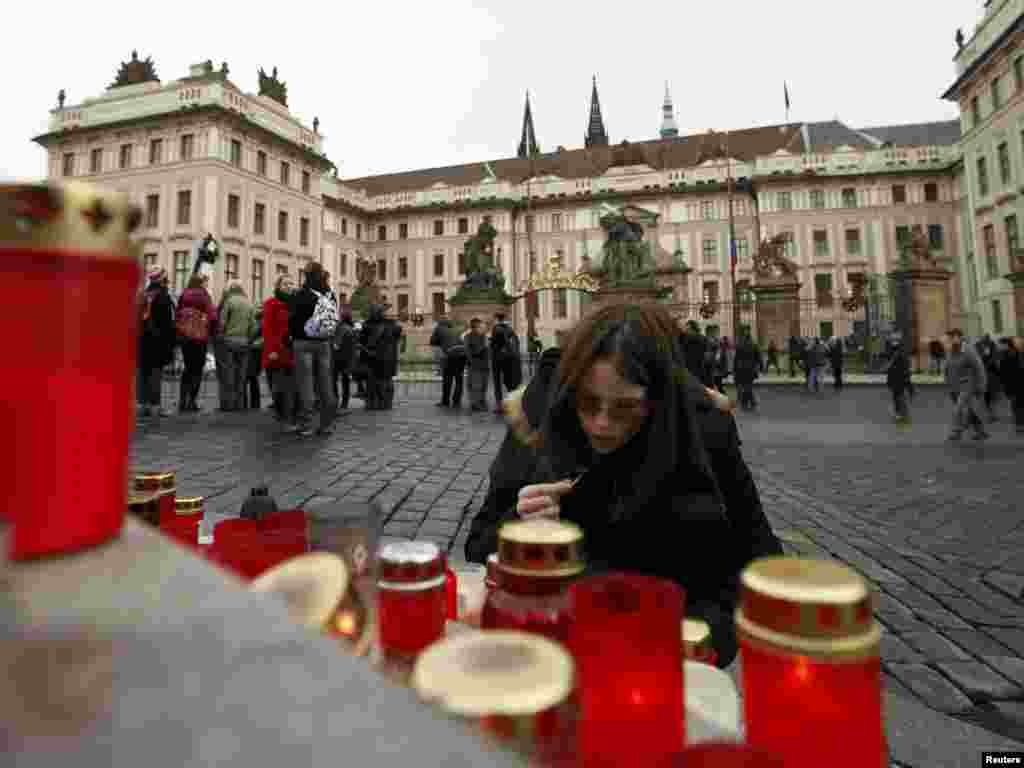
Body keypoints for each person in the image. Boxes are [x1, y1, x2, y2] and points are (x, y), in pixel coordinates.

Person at [463, 304, 783, 668]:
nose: (601, 423)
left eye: (624, 408)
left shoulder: (703, 433)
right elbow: (479, 544)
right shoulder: (536, 425)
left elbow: (760, 563)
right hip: (552, 655)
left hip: (661, 663)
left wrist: (704, 636)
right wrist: (520, 522)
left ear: (656, 401)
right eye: (588, 403)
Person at [289, 262, 337, 436]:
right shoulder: (330, 294)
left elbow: (292, 319)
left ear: (307, 275)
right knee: (326, 384)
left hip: (302, 343)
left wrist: (292, 335)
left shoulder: (301, 294)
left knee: (305, 384)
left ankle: (307, 424)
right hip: (324, 342)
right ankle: (326, 424)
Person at [175, 273, 218, 413]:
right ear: (201, 283)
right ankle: (192, 402)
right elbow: (212, 316)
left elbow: (177, 313)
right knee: (197, 369)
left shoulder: (184, 293)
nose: (207, 284)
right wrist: (211, 333)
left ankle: (182, 401)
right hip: (200, 337)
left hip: (185, 337)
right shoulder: (204, 295)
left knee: (187, 368)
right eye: (206, 282)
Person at [137, 267, 176, 418]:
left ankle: (141, 405)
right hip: (158, 340)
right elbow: (167, 323)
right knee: (155, 373)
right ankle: (155, 406)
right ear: (161, 279)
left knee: (143, 372)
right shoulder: (163, 296)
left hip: (142, 340)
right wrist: (171, 342)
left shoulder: (143, 295)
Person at [262, 274, 298, 431]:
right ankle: (283, 417)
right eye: (285, 284)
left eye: (291, 284)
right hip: (276, 350)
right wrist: (271, 350)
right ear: (278, 286)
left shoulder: (295, 304)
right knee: (279, 387)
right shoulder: (271, 304)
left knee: (291, 388)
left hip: (292, 351)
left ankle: (289, 418)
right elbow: (267, 329)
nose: (289, 287)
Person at [218, 282, 257, 412]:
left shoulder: (229, 301)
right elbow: (253, 325)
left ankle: (229, 404)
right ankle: (240, 404)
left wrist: (222, 335)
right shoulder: (248, 303)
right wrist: (249, 340)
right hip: (244, 342)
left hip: (229, 341)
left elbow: (222, 322)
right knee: (241, 375)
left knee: (229, 373)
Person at [945, 328, 989, 441]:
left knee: (958, 408)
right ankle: (980, 431)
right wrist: (948, 383)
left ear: (960, 337)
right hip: (954, 386)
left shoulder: (969, 351)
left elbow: (979, 368)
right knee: (971, 409)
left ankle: (956, 431)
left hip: (967, 384)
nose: (951, 339)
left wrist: (982, 385)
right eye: (950, 337)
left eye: (954, 336)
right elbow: (948, 368)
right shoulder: (950, 351)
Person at [430, 316, 468, 408]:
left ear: (440, 322)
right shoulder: (455, 329)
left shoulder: (438, 328)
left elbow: (433, 342)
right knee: (459, 378)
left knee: (447, 378)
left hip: (450, 354)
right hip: (462, 354)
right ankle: (456, 401)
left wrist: (442, 343)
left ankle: (445, 401)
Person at [490, 313, 521, 413]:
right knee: (509, 383)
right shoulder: (510, 329)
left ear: (496, 319)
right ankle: (512, 404)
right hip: (510, 359)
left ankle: (499, 406)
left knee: (497, 383)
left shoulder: (496, 329)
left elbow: (494, 343)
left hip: (498, 359)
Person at [333, 308, 358, 413]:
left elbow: (336, 345)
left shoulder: (341, 328)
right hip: (347, 359)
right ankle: (344, 404)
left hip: (338, 359)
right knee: (345, 382)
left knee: (333, 381)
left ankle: (336, 403)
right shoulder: (350, 328)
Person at [999, 336, 1024, 434]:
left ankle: (1019, 423)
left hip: (1017, 383)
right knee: (1016, 404)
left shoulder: (1017, 354)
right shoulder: (1006, 354)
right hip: (1012, 384)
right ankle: (1019, 423)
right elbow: (1003, 371)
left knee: (1018, 404)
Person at [466, 317, 491, 412]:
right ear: (476, 327)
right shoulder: (469, 337)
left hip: (484, 365)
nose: (484, 327)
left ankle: (481, 403)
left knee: (483, 386)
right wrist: (484, 346)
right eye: (481, 326)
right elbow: (471, 352)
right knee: (476, 386)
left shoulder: (483, 336)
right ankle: (475, 404)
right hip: (476, 366)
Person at [733, 328, 761, 411]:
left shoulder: (739, 344)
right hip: (751, 368)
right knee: (748, 386)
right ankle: (750, 402)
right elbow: (758, 356)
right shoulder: (753, 344)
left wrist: (734, 369)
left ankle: (747, 402)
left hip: (741, 368)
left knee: (745, 386)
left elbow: (736, 358)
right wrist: (760, 366)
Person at [886, 339, 912, 424]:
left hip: (897, 381)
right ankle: (900, 414)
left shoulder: (894, 358)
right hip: (898, 381)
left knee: (898, 397)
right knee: (898, 397)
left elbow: (890, 371)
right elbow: (906, 370)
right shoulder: (899, 357)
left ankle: (900, 414)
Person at [245, 309, 264, 409]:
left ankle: (252, 404)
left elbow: (257, 342)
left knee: (250, 378)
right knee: (252, 379)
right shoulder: (260, 328)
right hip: (255, 355)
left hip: (254, 355)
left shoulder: (260, 328)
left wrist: (251, 344)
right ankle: (254, 404)